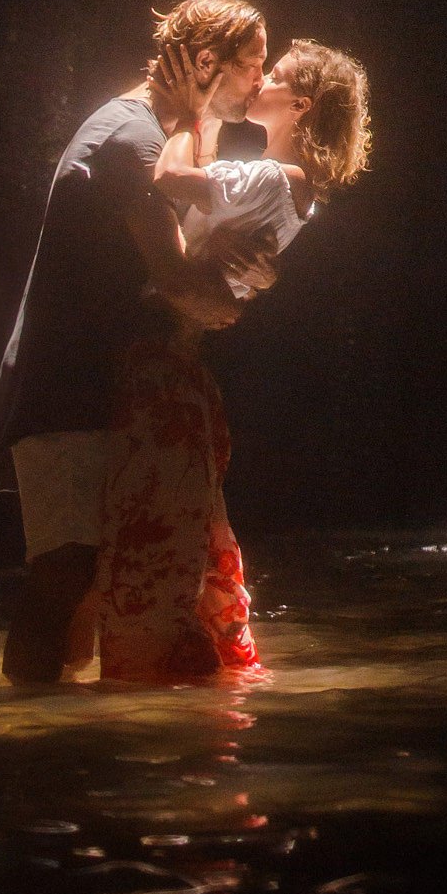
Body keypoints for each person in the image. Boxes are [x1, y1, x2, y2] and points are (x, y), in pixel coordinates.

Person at [0, 0, 269, 685]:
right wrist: (224, 303)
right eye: (252, 66)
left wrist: (200, 117)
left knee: (98, 577)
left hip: (98, 390)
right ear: (206, 61)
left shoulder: (155, 133)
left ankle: (70, 752)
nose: (261, 84)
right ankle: (25, 741)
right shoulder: (131, 137)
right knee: (66, 572)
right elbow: (174, 279)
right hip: (66, 390)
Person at [94, 37, 373, 683]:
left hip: (163, 377)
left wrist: (197, 111)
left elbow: (167, 178)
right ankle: (211, 719)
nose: (258, 81)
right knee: (195, 563)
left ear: (299, 106)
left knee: (157, 563)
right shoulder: (303, 193)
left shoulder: (271, 177)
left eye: (271, 75)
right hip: (191, 379)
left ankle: (158, 717)